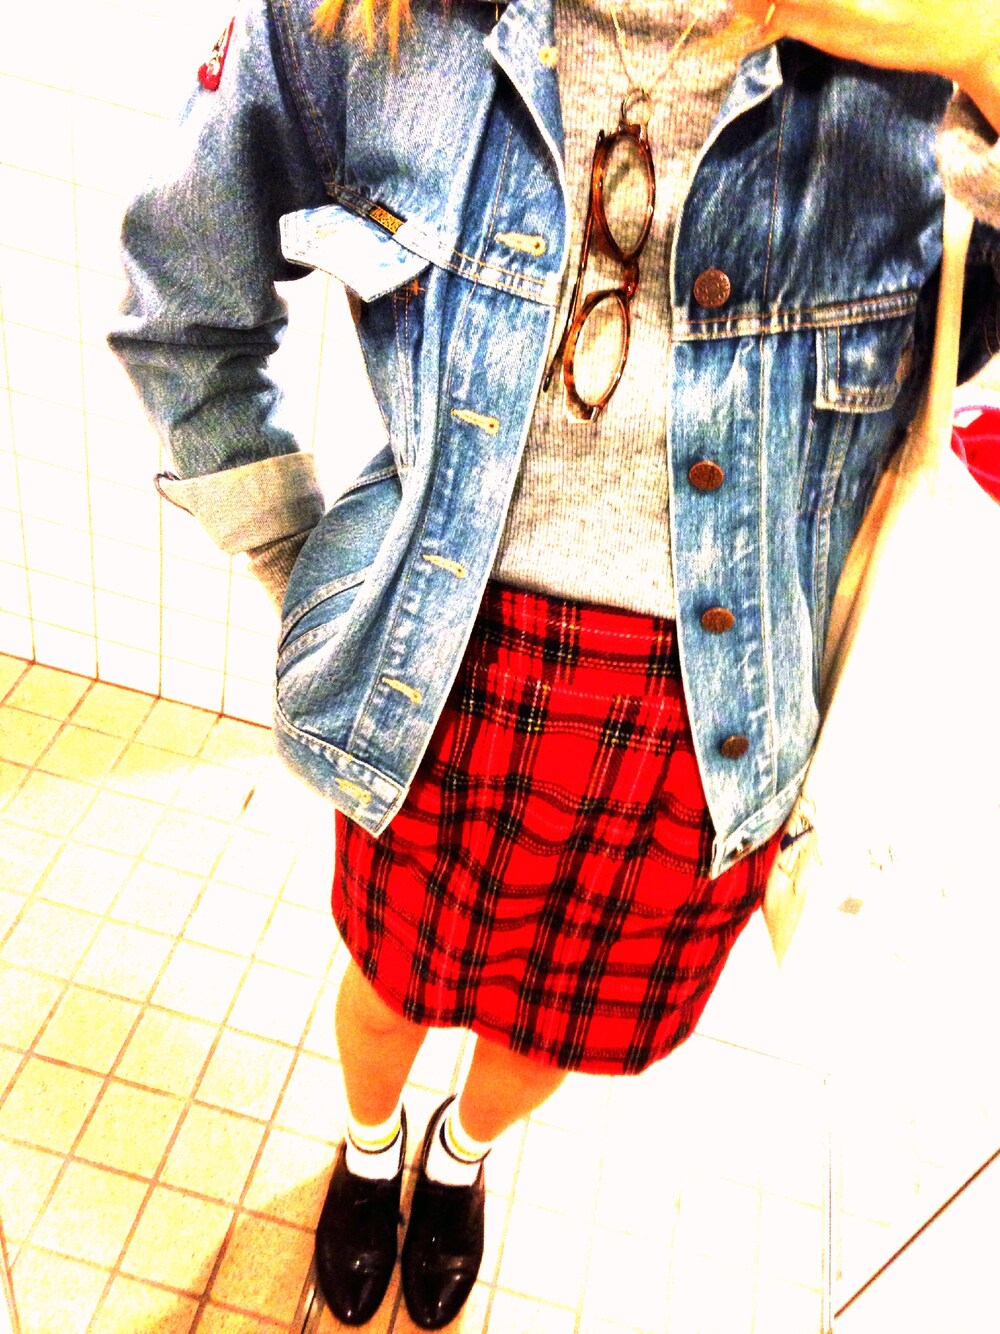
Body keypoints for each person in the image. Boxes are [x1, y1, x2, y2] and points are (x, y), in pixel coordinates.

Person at [110, 0, 1000, 1326]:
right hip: (437, 678)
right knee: (389, 986)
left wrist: (988, 56)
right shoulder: (369, 26)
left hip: (710, 724)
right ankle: (368, 1146)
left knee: (556, 1028)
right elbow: (182, 304)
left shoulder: (927, 62)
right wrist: (302, 564)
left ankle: (459, 1153)